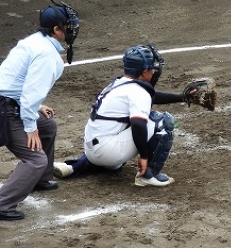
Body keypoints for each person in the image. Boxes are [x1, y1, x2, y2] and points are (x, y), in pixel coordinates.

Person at [53, 43, 182, 188]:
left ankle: (75, 166)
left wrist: (182, 97)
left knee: (130, 123)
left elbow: (151, 97)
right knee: (162, 121)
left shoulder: (118, 84)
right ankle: (148, 175)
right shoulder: (138, 92)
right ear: (144, 71)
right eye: (152, 68)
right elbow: (138, 125)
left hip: (92, 151)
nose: (154, 71)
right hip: (108, 152)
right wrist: (144, 157)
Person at [0, 0, 80, 221]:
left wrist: (38, 107)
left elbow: (14, 80)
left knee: (47, 125)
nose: (72, 29)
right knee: (35, 159)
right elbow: (30, 94)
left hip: (8, 102)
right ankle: (3, 204)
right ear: (56, 29)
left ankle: (40, 179)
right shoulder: (46, 54)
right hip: (4, 110)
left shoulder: (35, 41)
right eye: (68, 25)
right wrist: (30, 127)